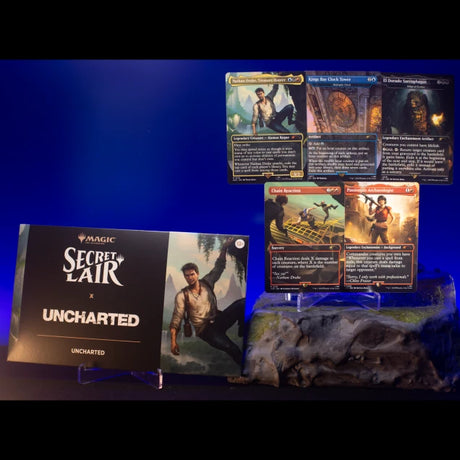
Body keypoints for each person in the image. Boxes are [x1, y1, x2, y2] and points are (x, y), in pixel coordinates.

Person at [169, 238, 245, 365]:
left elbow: (219, 267)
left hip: (219, 319)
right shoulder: (182, 295)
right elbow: (176, 319)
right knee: (233, 349)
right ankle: (246, 371)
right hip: (206, 331)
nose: (190, 278)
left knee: (243, 303)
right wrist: (173, 342)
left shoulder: (207, 282)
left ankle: (243, 329)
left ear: (197, 274)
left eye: (192, 274)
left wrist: (224, 248)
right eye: (187, 275)